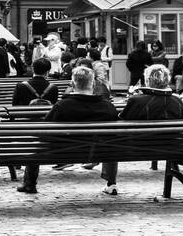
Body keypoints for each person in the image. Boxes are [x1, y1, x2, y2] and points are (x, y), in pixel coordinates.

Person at [16, 66, 118, 194]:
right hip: (100, 151)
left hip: (63, 152)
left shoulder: (62, 106)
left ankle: (29, 184)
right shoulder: (107, 106)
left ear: (73, 83)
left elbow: (44, 132)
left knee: (35, 146)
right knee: (112, 144)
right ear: (92, 83)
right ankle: (111, 183)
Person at [99, 65, 183, 195]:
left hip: (135, 147)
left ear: (148, 80)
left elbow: (121, 121)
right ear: (167, 80)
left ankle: (111, 183)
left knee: (110, 139)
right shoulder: (177, 101)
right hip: (172, 147)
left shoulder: (137, 100)